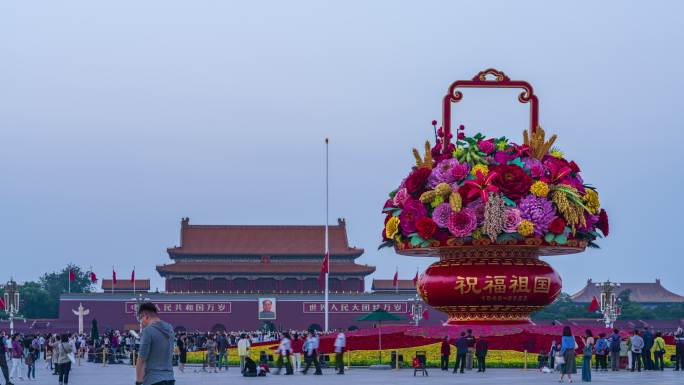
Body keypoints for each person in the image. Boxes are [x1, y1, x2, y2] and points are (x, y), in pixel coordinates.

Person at [135, 302, 175, 385]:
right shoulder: (170, 329)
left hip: (153, 380)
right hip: (170, 378)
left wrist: (138, 382)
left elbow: (141, 360)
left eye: (140, 319)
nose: (141, 323)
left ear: (146, 316)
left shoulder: (148, 331)